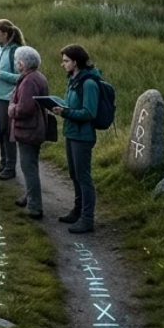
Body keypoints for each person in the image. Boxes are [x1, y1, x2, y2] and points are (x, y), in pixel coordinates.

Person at [49, 44, 102, 234]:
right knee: (74, 174)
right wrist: (60, 108)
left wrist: (65, 112)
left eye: (66, 61)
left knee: (83, 177)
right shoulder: (73, 79)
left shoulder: (88, 83)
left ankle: (87, 219)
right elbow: (73, 107)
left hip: (83, 136)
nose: (62, 64)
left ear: (76, 62)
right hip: (71, 133)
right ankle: (77, 211)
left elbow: (89, 112)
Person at [6, 46, 50, 219]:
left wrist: (12, 109)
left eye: (18, 61)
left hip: (29, 129)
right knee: (30, 164)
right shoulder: (38, 76)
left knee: (28, 166)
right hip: (37, 128)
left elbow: (25, 108)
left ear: (22, 63)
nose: (16, 64)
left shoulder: (29, 81)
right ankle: (28, 196)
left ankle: (34, 206)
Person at [0, 20, 25, 179]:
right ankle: (4, 161)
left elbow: (21, 77)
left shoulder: (16, 52)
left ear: (6, 34)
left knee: (7, 131)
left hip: (7, 97)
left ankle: (10, 167)